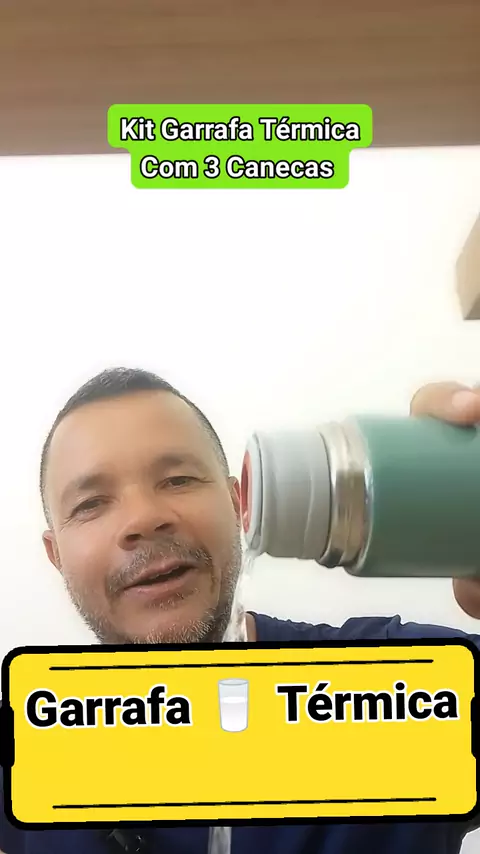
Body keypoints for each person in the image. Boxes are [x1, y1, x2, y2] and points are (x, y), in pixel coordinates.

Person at [1, 367, 480, 854]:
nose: (144, 518)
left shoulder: (405, 691)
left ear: (239, 504)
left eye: (178, 479)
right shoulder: (23, 752)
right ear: (56, 556)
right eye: (90, 504)